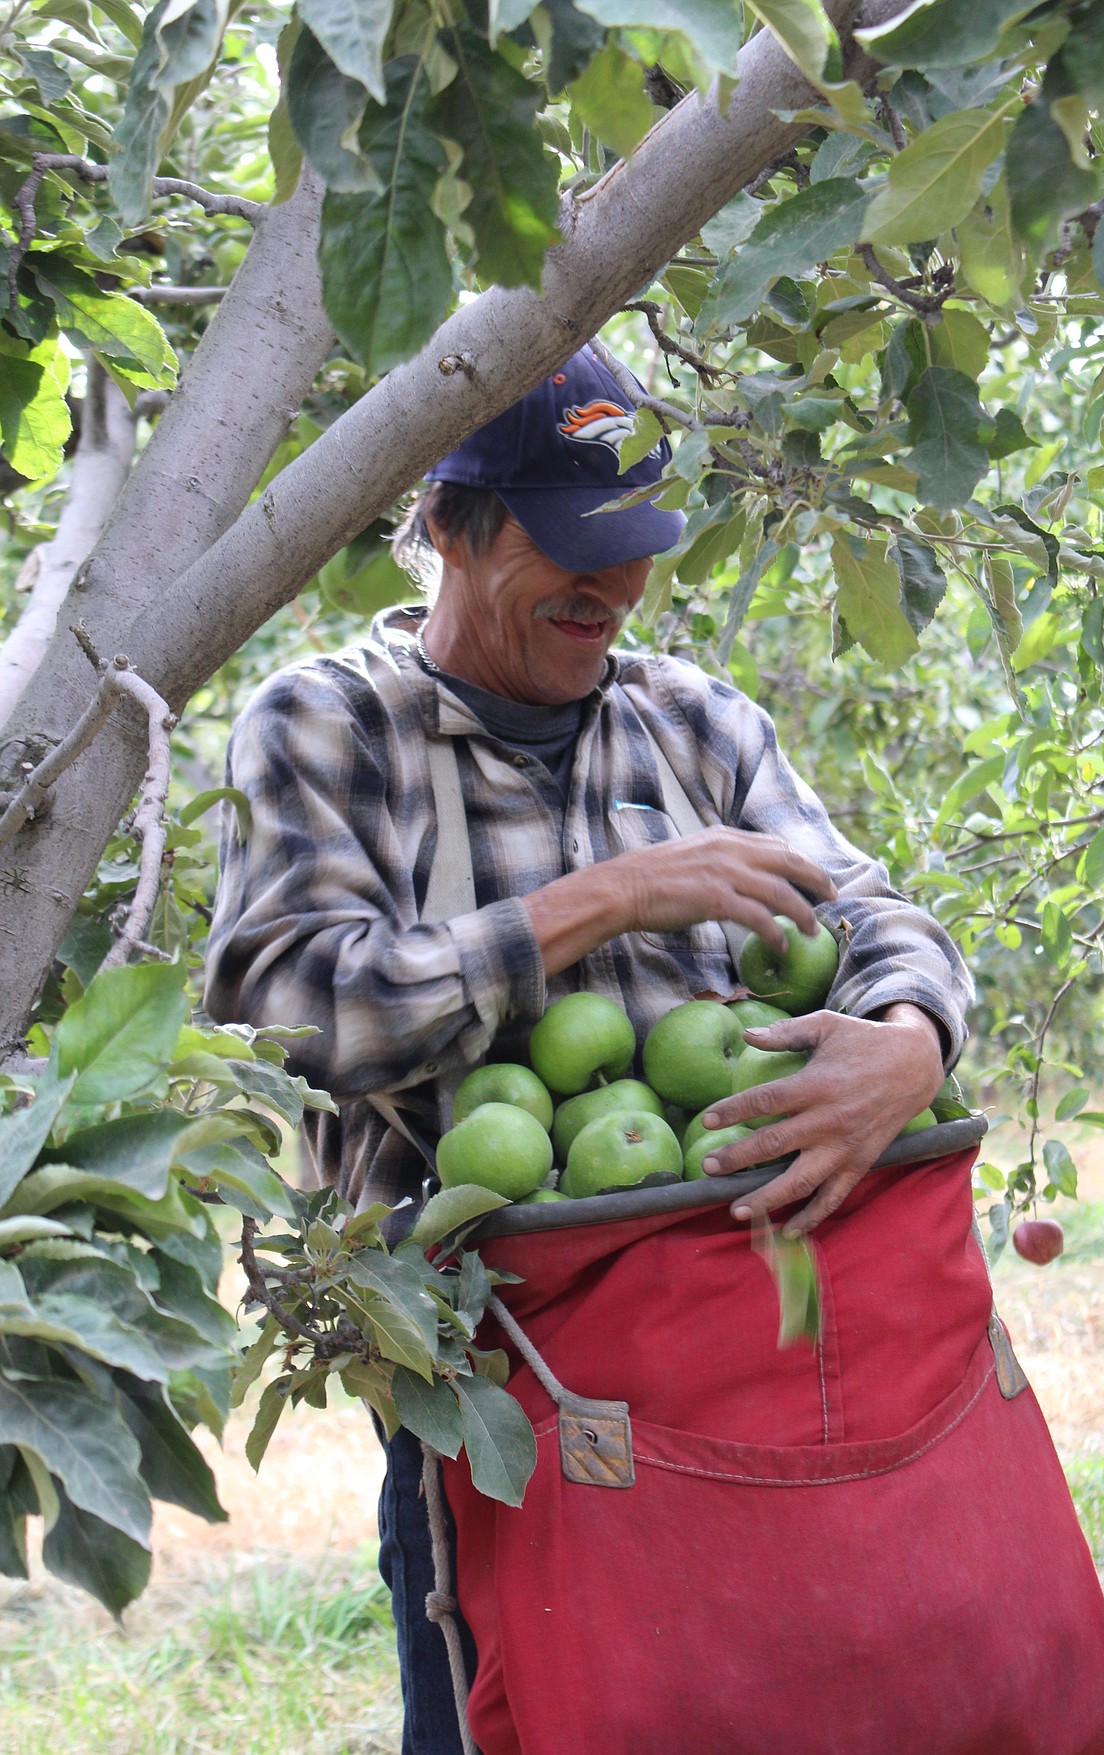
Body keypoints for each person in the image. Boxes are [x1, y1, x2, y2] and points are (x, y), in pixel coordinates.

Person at [204, 344, 974, 1754]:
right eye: (570, 548)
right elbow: (290, 1016)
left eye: (633, 551)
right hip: (501, 1385)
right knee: (522, 1710)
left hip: (738, 1349)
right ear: (446, 525)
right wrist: (592, 906)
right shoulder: (325, 726)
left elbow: (868, 914)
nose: (611, 592)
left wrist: (909, 1037)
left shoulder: (692, 721)